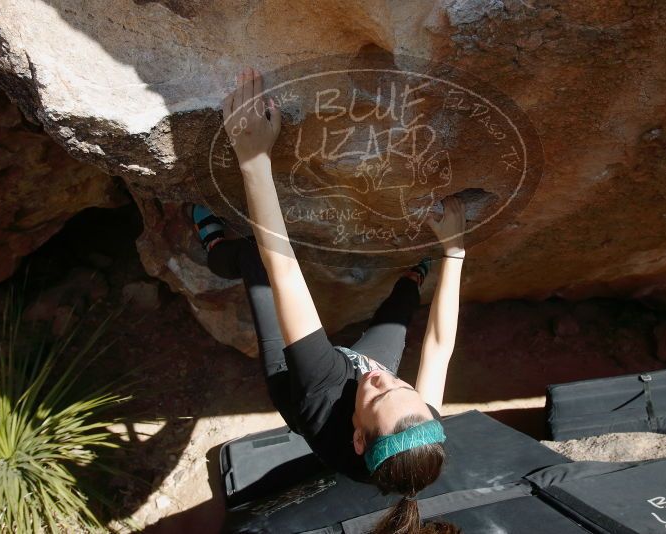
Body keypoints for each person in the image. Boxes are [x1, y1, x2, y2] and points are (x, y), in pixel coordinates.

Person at [197, 66, 466, 533]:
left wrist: (253, 157)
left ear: (359, 438)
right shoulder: (412, 428)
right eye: (405, 388)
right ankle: (411, 276)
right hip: (355, 389)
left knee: (256, 264)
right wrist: (455, 250)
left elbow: (285, 272)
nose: (387, 378)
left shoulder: (321, 390)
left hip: (293, 380)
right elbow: (440, 345)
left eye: (381, 391)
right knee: (400, 314)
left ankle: (218, 251)